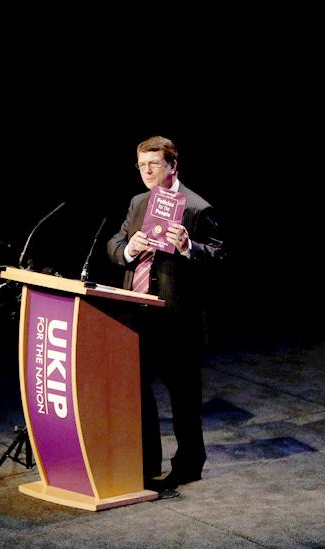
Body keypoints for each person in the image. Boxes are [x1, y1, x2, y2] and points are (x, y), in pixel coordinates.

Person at [106, 136, 224, 491]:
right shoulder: (138, 202)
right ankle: (145, 463)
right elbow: (114, 244)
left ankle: (189, 464)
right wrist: (129, 250)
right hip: (138, 317)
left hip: (177, 322)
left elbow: (219, 257)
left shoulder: (198, 208)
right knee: (138, 395)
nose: (145, 171)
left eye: (153, 164)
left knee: (184, 400)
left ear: (173, 165)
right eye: (141, 165)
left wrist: (190, 248)